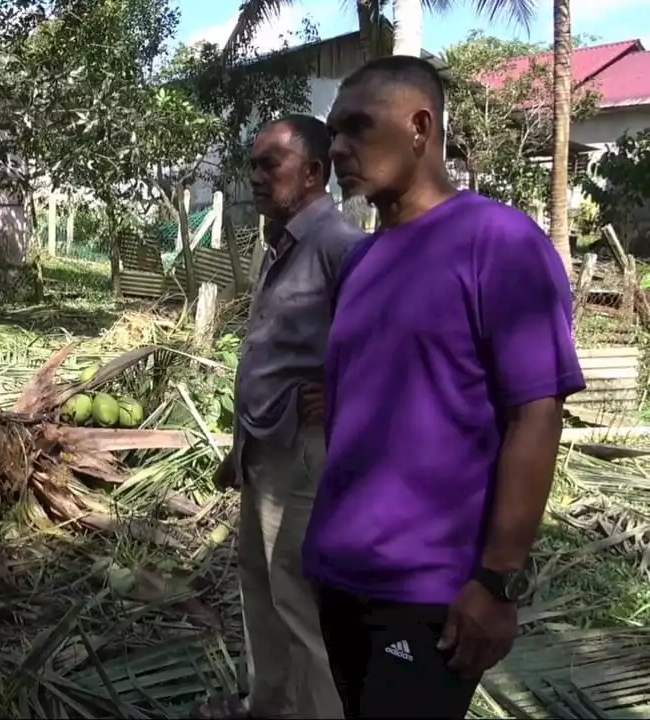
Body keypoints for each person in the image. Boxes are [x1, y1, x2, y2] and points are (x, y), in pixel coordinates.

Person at [306, 55, 586, 719]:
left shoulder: (498, 241)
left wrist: (495, 578)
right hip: (339, 572)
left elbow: (536, 415)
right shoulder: (363, 260)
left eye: (355, 127)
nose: (337, 148)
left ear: (418, 127)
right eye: (332, 132)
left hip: (431, 591)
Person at [198, 115, 364, 720]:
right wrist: (240, 446)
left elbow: (384, 343)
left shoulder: (337, 246)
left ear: (315, 171)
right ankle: (269, 705)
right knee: (261, 584)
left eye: (271, 163)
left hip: (304, 453)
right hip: (267, 449)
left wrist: (344, 391)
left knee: (297, 601)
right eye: (253, 164)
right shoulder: (283, 243)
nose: (256, 176)